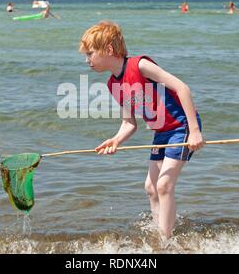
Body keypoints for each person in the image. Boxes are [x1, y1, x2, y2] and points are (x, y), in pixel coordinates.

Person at [78, 21, 204, 239]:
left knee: (164, 185)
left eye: (90, 54)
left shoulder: (140, 65)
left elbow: (182, 88)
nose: (87, 60)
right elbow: (129, 123)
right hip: (161, 132)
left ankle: (165, 243)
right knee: (151, 187)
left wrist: (194, 131)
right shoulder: (112, 84)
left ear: (108, 50)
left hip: (181, 126)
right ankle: (161, 231)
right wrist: (116, 139)